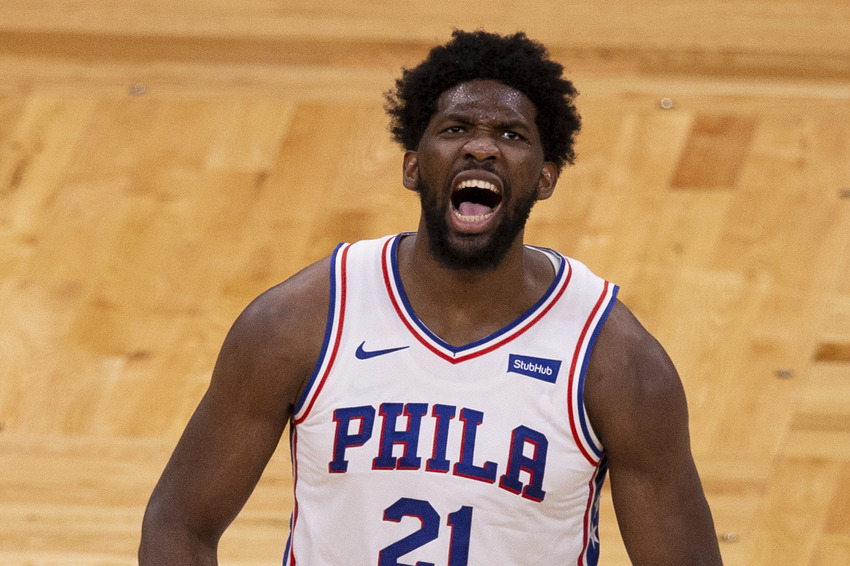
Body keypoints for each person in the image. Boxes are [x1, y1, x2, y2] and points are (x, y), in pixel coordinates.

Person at [139, 30, 723, 565]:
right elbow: (179, 527)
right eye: (456, 128)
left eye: (511, 135)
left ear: (546, 178)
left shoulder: (615, 364)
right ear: (413, 167)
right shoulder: (300, 322)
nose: (481, 149)